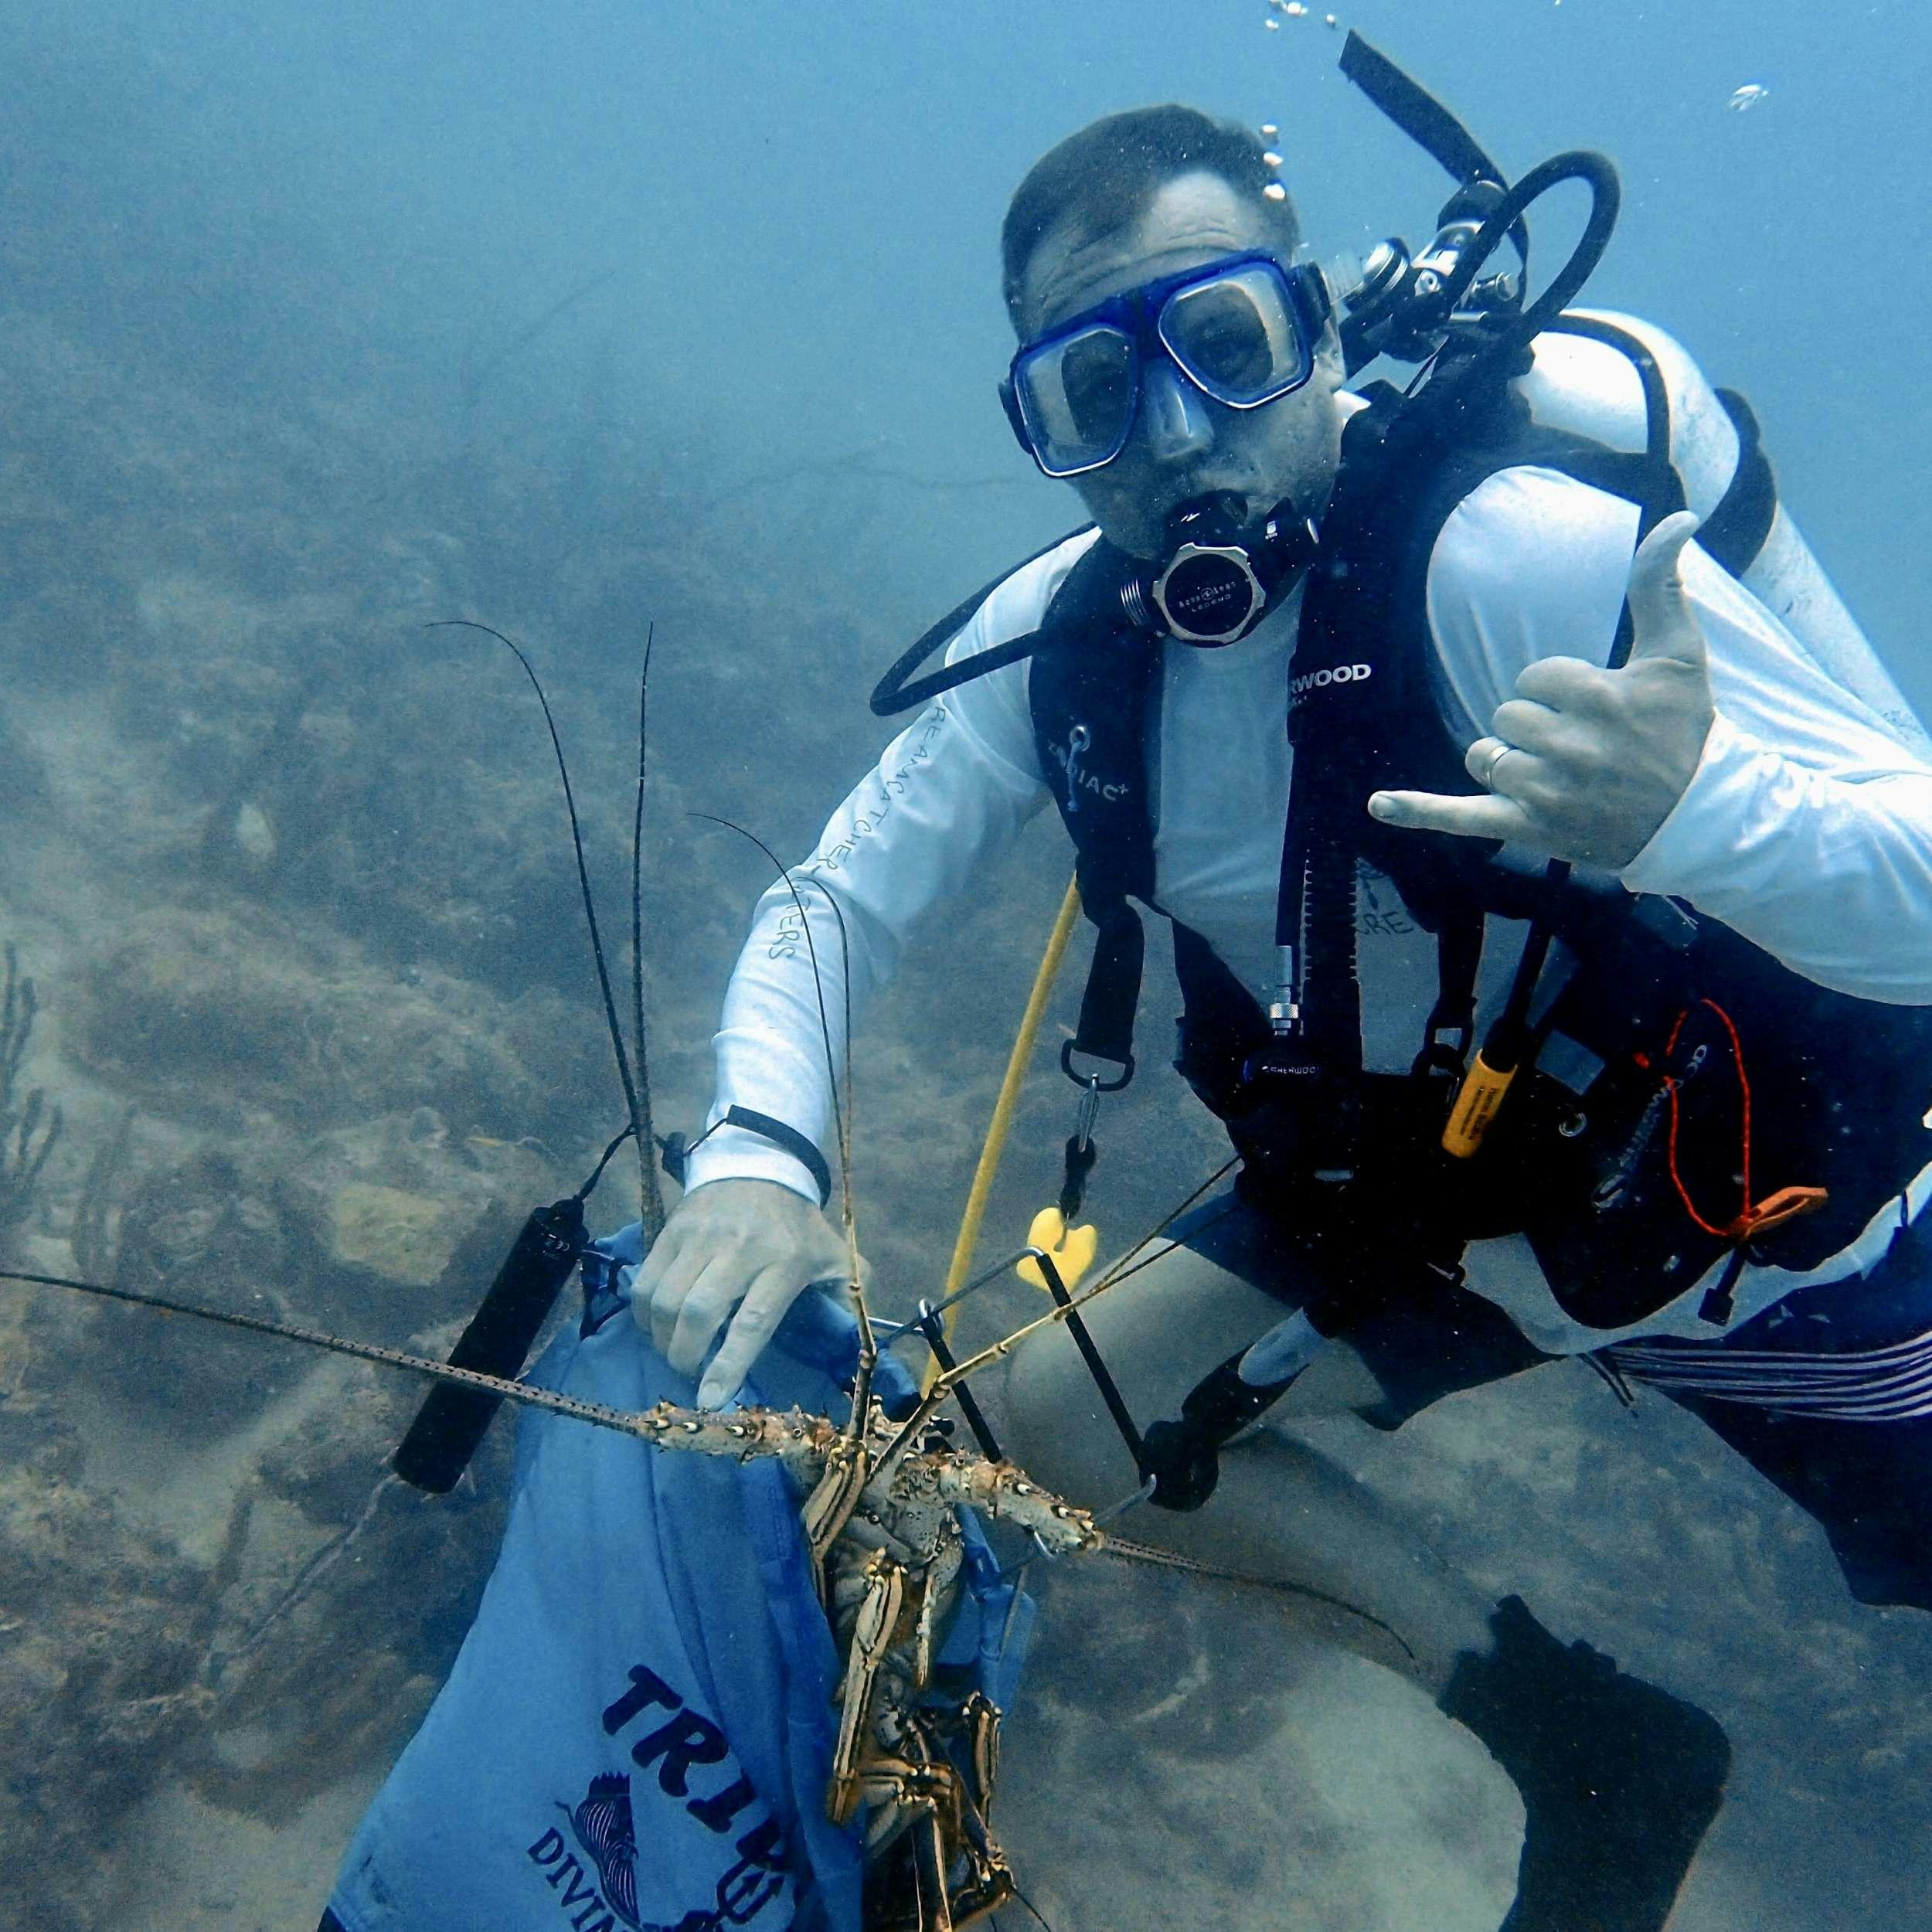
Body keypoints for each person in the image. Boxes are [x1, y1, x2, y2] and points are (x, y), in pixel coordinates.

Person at [638, 106, 1932, 1931]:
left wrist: (1700, 817)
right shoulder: (1070, 651)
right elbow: (828, 902)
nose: (1174, 442)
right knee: (1067, 1416)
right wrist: (762, 1148)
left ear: (1312, 330)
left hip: (1777, 1236)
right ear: (1043, 434)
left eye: (1222, 351)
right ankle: (1587, 1740)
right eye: (1095, 392)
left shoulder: (1513, 562)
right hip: (1424, 1204)